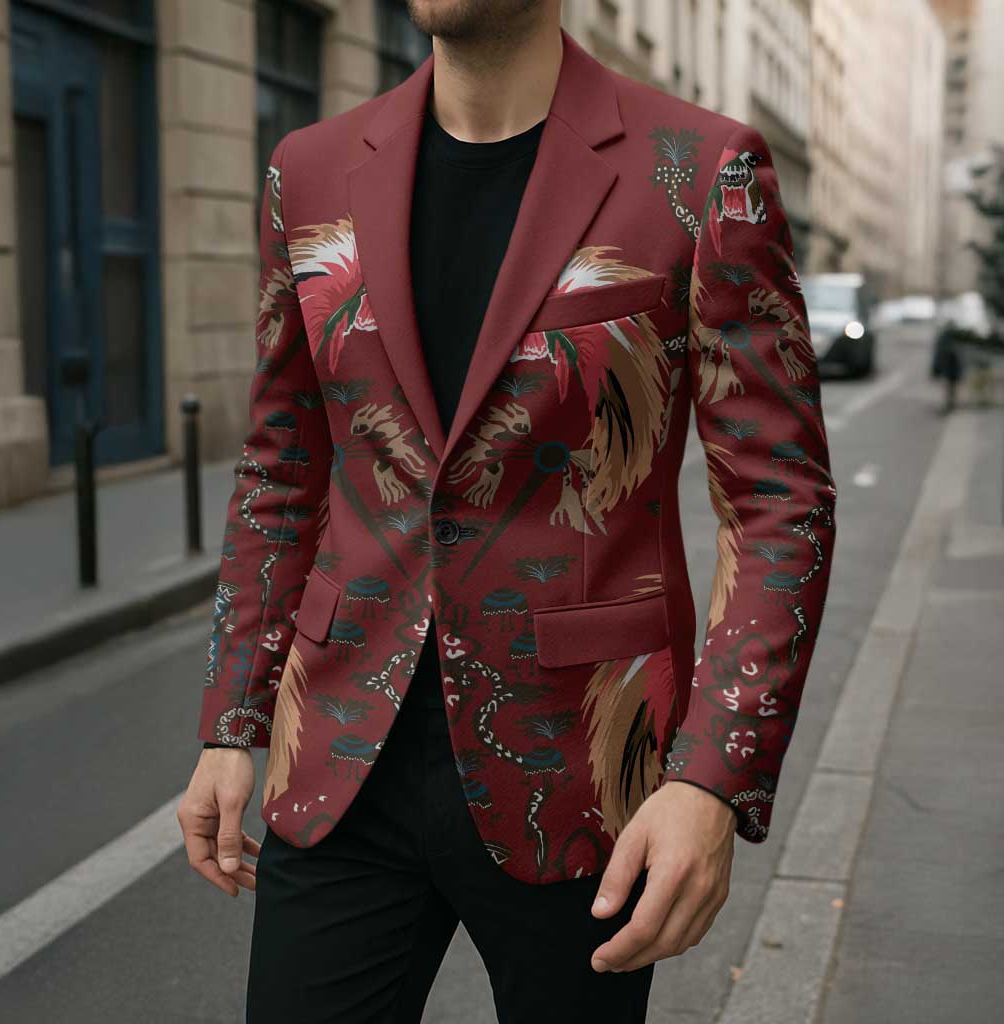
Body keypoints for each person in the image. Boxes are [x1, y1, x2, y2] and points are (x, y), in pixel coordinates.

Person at [177, 3, 838, 1021]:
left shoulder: (699, 172)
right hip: (342, 759)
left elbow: (778, 500)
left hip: (582, 767)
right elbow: (281, 469)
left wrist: (710, 779)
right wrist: (233, 718)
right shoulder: (305, 173)